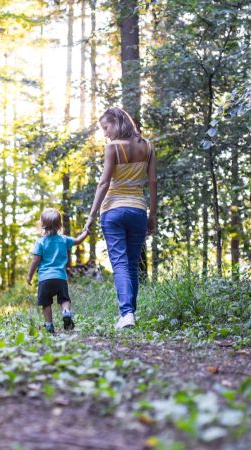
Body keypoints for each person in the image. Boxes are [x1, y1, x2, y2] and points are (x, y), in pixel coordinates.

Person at [84, 107, 157, 329]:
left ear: (117, 121)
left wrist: (91, 216)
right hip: (137, 211)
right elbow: (153, 182)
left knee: (120, 265)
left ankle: (126, 314)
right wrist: (152, 215)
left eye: (106, 128)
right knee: (132, 264)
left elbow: (104, 183)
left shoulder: (113, 148)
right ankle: (129, 314)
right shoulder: (148, 146)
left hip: (113, 211)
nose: (105, 133)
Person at [27, 208, 90, 333]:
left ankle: (49, 325)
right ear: (59, 225)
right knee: (64, 299)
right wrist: (85, 233)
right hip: (60, 277)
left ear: (42, 225)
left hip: (45, 279)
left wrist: (30, 276)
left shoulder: (40, 242)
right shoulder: (64, 239)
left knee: (46, 303)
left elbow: (35, 260)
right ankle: (66, 312)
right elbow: (78, 241)